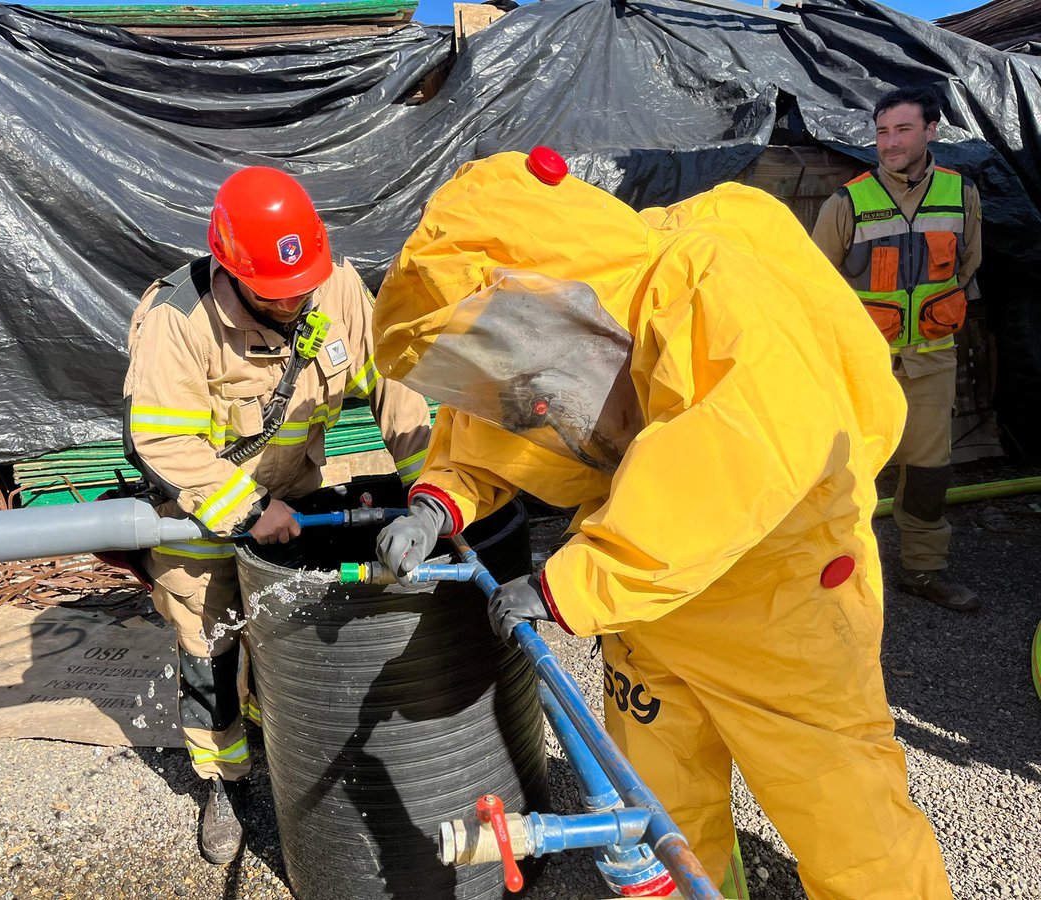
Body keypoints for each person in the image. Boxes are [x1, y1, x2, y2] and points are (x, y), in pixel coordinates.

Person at [372, 148, 953, 898]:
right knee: (661, 805)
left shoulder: (709, 286)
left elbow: (730, 459)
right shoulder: (565, 317)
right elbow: (509, 415)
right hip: (647, 610)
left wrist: (568, 585)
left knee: (843, 811)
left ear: (537, 278)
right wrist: (437, 501)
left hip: (778, 591)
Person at [122, 167, 431, 865]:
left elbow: (396, 387)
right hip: (199, 515)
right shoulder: (178, 320)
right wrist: (251, 509)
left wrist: (432, 496)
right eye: (277, 293)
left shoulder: (335, 285)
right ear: (232, 272)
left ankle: (281, 739)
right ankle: (225, 780)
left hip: (295, 498)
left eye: (304, 288)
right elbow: (161, 440)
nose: (296, 302)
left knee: (289, 634)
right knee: (210, 645)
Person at [812, 86, 983, 612]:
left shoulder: (961, 194)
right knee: (845, 470)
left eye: (903, 129)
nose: (890, 142)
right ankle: (833, 581)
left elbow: (967, 266)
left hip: (932, 359)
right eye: (883, 131)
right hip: (862, 364)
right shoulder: (848, 202)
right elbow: (815, 282)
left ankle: (923, 571)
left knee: (929, 470)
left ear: (931, 131)